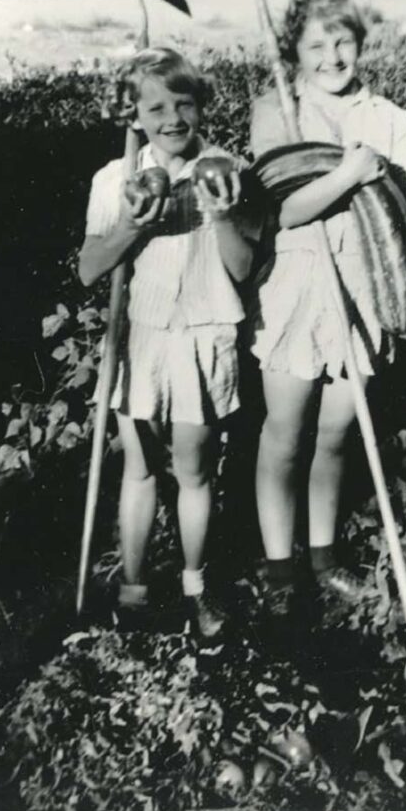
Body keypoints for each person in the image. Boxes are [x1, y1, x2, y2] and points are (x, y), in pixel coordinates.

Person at [249, 0, 406, 620]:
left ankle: (322, 558)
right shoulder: (276, 111)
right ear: (294, 53)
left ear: (360, 42)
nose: (331, 55)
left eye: (342, 40)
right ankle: (279, 567)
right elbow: (281, 212)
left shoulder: (387, 119)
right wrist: (345, 175)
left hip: (364, 290)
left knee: (336, 433)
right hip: (296, 289)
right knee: (285, 433)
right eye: (315, 44)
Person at [79, 46, 254, 638]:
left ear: (201, 106)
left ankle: (195, 587)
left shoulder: (229, 171)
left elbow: (243, 270)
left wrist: (224, 217)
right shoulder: (116, 179)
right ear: (134, 117)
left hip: (205, 334)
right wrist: (131, 224)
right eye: (156, 107)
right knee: (139, 466)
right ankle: (132, 590)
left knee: (195, 470)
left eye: (185, 104)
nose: (173, 118)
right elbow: (88, 270)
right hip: (144, 336)